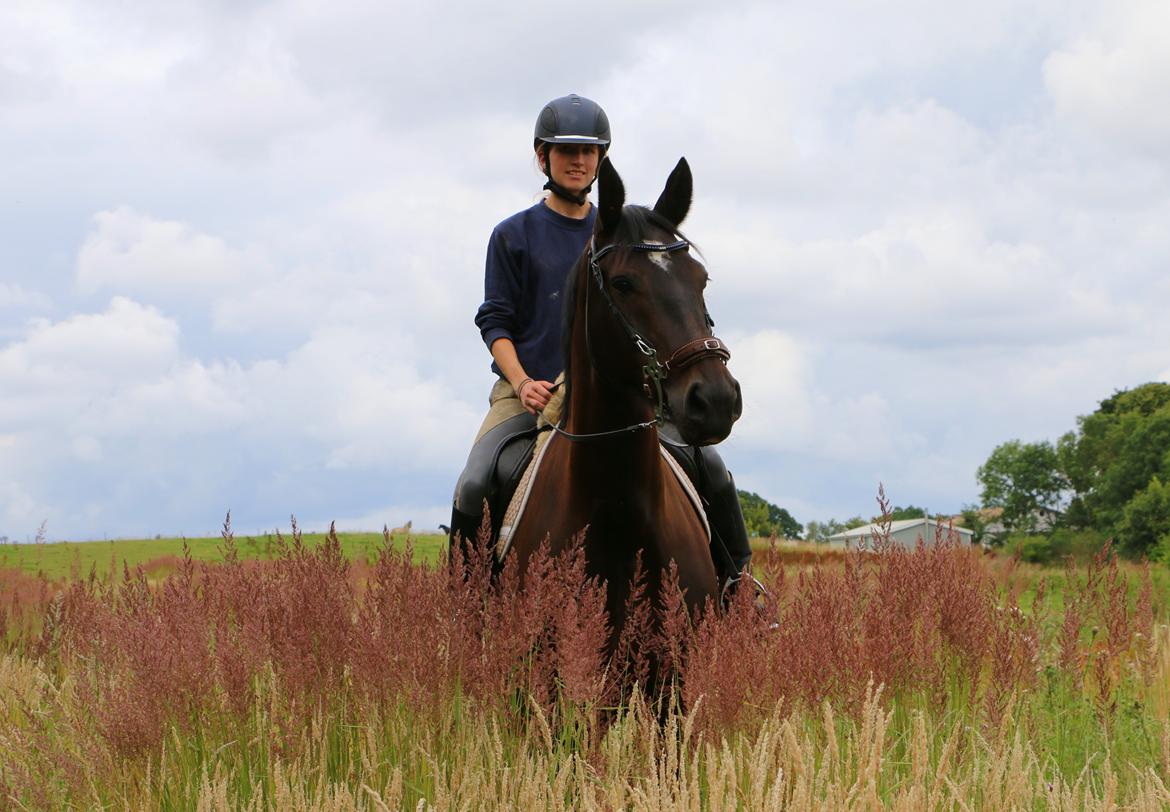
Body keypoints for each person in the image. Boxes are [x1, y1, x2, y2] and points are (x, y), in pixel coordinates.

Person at [449, 93, 754, 594]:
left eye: (589, 151)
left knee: (712, 467)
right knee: (477, 479)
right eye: (566, 150)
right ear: (542, 157)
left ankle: (740, 591)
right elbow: (495, 322)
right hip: (530, 391)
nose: (578, 160)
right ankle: (466, 608)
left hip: (617, 393)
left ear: (601, 159)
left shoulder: (622, 236)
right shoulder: (513, 235)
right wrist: (522, 382)